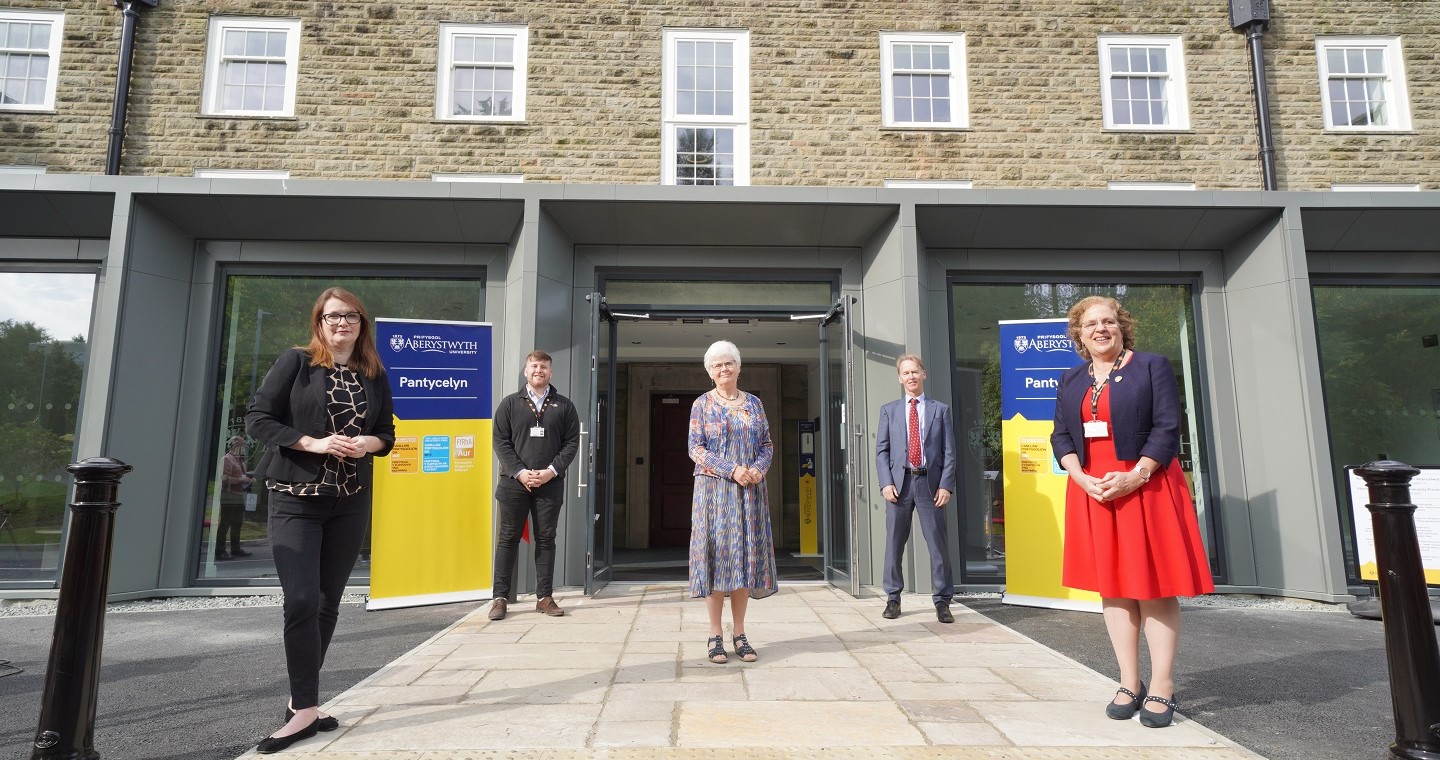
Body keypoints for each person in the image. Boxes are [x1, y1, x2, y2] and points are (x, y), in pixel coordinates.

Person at [1051, 295, 1214, 729]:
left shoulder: (1150, 366)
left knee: (1154, 586)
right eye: (1091, 324)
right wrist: (1081, 478)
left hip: (1147, 483)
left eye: (1108, 321)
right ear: (1080, 334)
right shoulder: (1070, 379)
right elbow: (1062, 436)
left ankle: (1162, 684)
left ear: (1122, 326)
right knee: (1115, 587)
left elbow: (1167, 426)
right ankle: (1129, 681)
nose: (1100, 329)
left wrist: (1136, 475)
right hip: (1094, 489)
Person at [245, 287, 395, 754]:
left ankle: (303, 704)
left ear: (361, 323)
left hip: (349, 501)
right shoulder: (296, 362)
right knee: (302, 600)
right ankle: (306, 709)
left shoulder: (373, 372)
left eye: (350, 316)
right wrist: (314, 442)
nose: (341, 323)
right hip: (296, 498)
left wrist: (365, 445)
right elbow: (258, 419)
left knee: (329, 602)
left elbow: (387, 433)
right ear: (319, 322)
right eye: (332, 316)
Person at [688, 340, 777, 664]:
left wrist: (756, 469)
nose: (724, 369)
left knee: (743, 560)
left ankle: (740, 633)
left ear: (738, 367)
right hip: (713, 494)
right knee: (717, 559)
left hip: (749, 492)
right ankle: (715, 634)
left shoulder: (754, 403)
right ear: (710, 373)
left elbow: (767, 443)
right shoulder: (701, 405)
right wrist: (732, 469)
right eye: (717, 366)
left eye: (728, 363)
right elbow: (695, 449)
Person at [488, 350, 581, 621]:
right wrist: (520, 472)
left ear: (551, 372)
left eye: (544, 366)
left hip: (549, 485)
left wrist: (551, 471)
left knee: (546, 539)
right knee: (507, 540)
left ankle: (544, 597)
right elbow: (500, 441)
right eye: (534, 366)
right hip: (513, 484)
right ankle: (500, 598)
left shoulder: (564, 406)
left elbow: (571, 443)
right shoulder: (509, 404)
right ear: (525, 372)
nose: (538, 370)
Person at [875, 354, 957, 623]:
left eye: (915, 372)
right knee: (894, 544)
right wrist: (886, 482)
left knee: (937, 544)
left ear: (924, 374)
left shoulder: (939, 410)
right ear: (900, 378)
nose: (911, 377)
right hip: (899, 486)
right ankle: (893, 598)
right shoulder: (889, 410)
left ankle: (943, 601)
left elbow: (949, 452)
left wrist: (946, 485)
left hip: (929, 485)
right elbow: (882, 451)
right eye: (906, 373)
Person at [217, 435, 254, 560]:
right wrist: (241, 479)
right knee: (225, 523)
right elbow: (223, 478)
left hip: (238, 495)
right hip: (229, 495)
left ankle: (235, 549)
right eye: (241, 444)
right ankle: (220, 550)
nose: (244, 447)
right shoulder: (227, 459)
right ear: (234, 446)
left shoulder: (238, 460)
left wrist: (248, 479)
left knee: (237, 523)